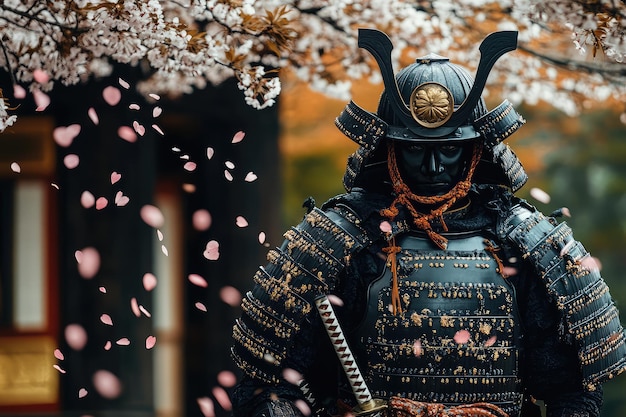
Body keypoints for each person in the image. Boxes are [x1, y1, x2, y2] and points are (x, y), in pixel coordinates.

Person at [230, 28, 626, 417]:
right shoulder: (338, 239)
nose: (434, 166)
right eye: (415, 150)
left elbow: (572, 393)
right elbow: (269, 383)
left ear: (475, 149)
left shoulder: (523, 241)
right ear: (389, 149)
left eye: (450, 149)